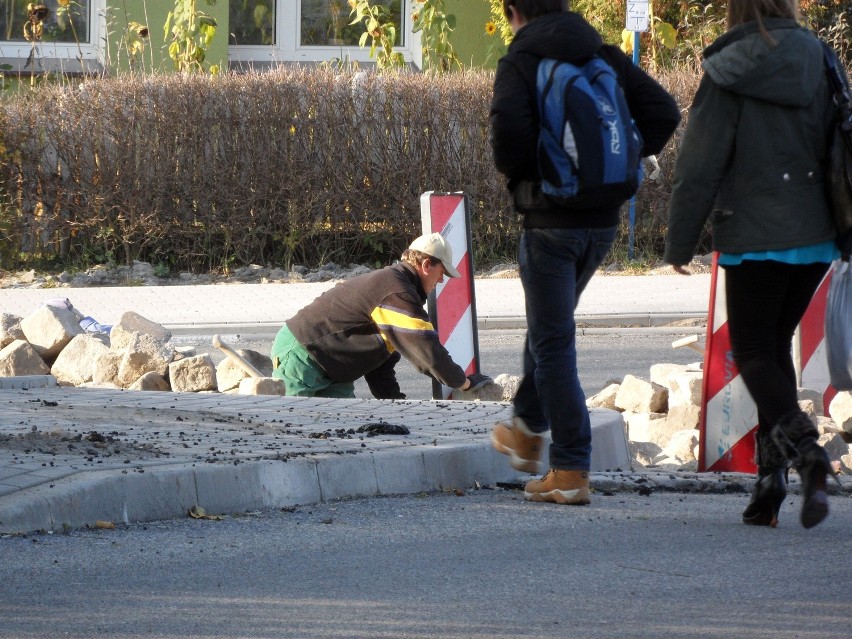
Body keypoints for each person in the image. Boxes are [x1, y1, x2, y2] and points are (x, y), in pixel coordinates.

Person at [488, 0, 680, 504]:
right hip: (603, 221)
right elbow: (664, 111)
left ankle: (570, 468)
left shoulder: (521, 60)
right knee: (548, 330)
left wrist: (541, 170)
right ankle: (526, 430)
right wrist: (626, 156)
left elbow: (507, 142)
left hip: (550, 222)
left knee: (553, 343)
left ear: (513, 11)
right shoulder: (604, 54)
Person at [664, 0, 840, 529]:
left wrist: (679, 240)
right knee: (772, 354)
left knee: (755, 348)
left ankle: (807, 453)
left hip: (754, 233)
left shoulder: (729, 67)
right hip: (815, 234)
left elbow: (699, 161)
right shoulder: (821, 57)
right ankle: (770, 483)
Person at [270, 232, 492, 399]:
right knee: (295, 427)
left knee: (339, 428)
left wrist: (395, 404)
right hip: (303, 353)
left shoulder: (397, 289)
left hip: (333, 367)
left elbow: (379, 362)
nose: (441, 281)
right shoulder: (396, 292)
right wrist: (464, 383)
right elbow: (427, 351)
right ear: (426, 265)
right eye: (441, 273)